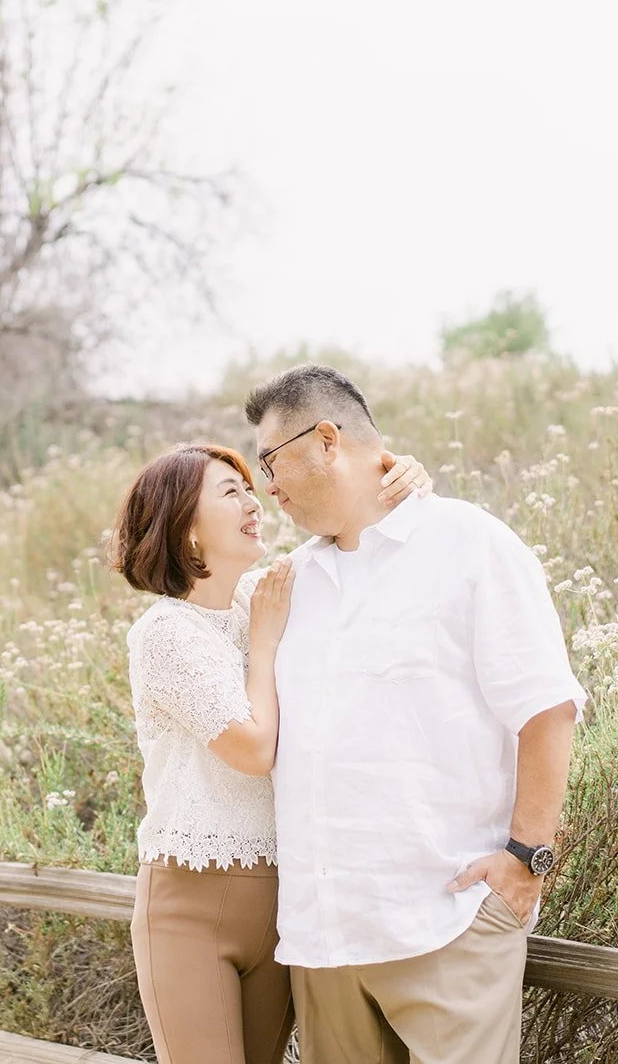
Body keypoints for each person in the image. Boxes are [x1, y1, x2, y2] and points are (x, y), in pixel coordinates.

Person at [244, 364, 587, 1064]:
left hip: (447, 924)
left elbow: (547, 708)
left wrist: (527, 861)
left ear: (328, 440)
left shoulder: (471, 545)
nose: (268, 487)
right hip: (323, 941)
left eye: (271, 462)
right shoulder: (289, 584)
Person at [107, 441, 429, 1064]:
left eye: (251, 489)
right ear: (186, 528)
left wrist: (401, 479)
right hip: (188, 904)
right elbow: (254, 749)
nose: (254, 504)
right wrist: (264, 640)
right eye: (230, 493)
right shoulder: (164, 633)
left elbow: (360, 554)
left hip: (285, 899)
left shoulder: (266, 593)